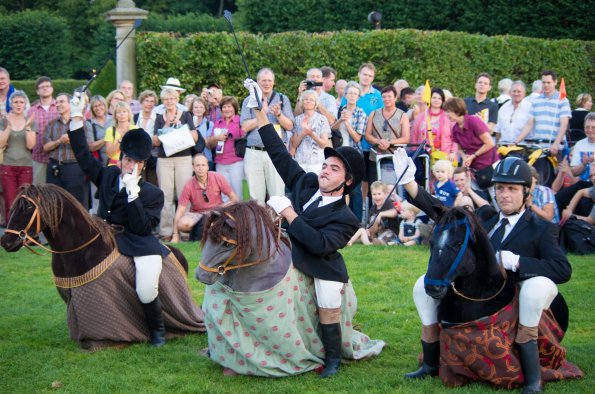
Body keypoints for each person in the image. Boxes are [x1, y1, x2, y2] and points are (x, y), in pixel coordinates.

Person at [394, 151, 571, 394]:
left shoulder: (542, 228)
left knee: (534, 289)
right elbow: (445, 213)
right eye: (500, 189)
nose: (504, 195)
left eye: (512, 189)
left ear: (526, 193)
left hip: (519, 297)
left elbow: (562, 269)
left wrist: (519, 262)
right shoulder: (486, 217)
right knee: (421, 285)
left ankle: (533, 380)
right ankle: (430, 363)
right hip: (484, 297)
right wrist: (410, 185)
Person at [245, 78, 365, 378]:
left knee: (327, 299)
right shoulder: (307, 182)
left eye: (334, 169)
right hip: (286, 251)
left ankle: (333, 358)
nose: (325, 170)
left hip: (321, 263)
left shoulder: (348, 219)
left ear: (347, 181)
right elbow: (279, 153)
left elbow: (320, 245)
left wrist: (288, 212)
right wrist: (260, 111)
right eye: (325, 165)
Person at [67, 94, 170, 347]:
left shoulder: (153, 193)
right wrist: (77, 117)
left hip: (138, 240)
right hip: (103, 234)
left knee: (146, 287)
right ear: (121, 157)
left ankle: (157, 332)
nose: (128, 165)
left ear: (142, 165)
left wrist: (133, 193)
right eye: (126, 159)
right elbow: (83, 157)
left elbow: (143, 227)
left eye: (134, 162)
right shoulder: (109, 175)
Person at [240, 68, 294, 203]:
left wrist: (279, 115)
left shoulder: (282, 99)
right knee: (255, 196)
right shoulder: (248, 100)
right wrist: (261, 113)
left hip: (276, 152)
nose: (266, 83)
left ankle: (277, 223)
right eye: (263, 80)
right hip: (254, 151)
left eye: (269, 80)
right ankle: (258, 223)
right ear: (257, 82)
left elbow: (290, 126)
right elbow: (245, 127)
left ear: (274, 82)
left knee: (278, 194)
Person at [153, 87, 197, 241]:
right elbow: (155, 141)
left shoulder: (185, 115)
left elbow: (195, 137)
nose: (169, 101)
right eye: (166, 99)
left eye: (172, 98)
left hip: (183, 158)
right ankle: (165, 232)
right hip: (164, 159)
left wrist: (181, 127)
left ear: (177, 99)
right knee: (165, 195)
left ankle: (185, 230)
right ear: (163, 101)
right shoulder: (159, 117)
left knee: (184, 195)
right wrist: (165, 126)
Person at [340, 63, 384, 214]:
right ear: (359, 74)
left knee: (371, 181)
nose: (367, 78)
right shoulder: (350, 92)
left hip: (369, 145)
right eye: (365, 74)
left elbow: (380, 116)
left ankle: (372, 214)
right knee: (354, 183)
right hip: (353, 146)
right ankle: (355, 213)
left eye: (370, 76)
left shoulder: (376, 95)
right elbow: (341, 117)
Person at [171, 154, 239, 243]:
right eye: (197, 165)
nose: (200, 168)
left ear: (207, 167)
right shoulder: (188, 185)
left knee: (222, 218)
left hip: (217, 210)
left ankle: (211, 231)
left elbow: (234, 199)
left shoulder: (217, 177)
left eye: (203, 165)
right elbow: (180, 210)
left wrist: (222, 207)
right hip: (197, 213)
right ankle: (198, 231)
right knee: (183, 224)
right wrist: (175, 235)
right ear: (193, 168)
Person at [43, 93, 89, 209]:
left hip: (74, 168)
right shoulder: (51, 124)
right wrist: (59, 141)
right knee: (53, 204)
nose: (58, 104)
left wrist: (73, 140)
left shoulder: (81, 124)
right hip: (54, 168)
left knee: (76, 204)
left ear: (70, 104)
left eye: (61, 101)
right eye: (56, 102)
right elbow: (46, 147)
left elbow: (87, 146)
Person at [443, 97, 499, 188]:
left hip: (489, 164)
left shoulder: (473, 121)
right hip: (474, 168)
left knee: (494, 194)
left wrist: (474, 155)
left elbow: (490, 143)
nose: (446, 114)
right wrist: (464, 157)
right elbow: (459, 148)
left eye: (448, 111)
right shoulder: (455, 129)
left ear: (456, 111)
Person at [331, 81, 367, 221]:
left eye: (355, 93)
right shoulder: (341, 109)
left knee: (355, 190)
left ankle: (357, 221)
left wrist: (347, 123)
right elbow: (332, 128)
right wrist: (341, 119)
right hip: (340, 152)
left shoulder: (360, 113)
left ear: (358, 97)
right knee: (340, 188)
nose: (352, 95)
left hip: (354, 154)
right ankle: (340, 219)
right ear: (345, 95)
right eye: (349, 93)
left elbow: (358, 138)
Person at [516, 70, 572, 157]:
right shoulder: (535, 101)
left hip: (556, 148)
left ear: (555, 82)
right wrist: (516, 141)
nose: (546, 85)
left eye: (549, 82)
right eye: (544, 82)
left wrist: (556, 144)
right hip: (538, 148)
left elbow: (564, 125)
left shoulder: (563, 100)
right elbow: (529, 125)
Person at [0, 91, 36, 222]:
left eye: (21, 102)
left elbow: (30, 145)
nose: (18, 105)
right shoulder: (4, 121)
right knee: (10, 201)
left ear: (25, 104)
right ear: (11, 104)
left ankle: (23, 231)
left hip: (26, 166)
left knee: (25, 200)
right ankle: (11, 233)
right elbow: (1, 143)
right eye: (16, 102)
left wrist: (27, 127)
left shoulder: (30, 121)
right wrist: (9, 126)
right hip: (7, 166)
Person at [364, 85, 410, 186]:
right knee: (375, 187)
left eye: (389, 96)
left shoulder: (403, 115)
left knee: (393, 189)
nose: (386, 99)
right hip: (376, 156)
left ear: (395, 98)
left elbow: (406, 138)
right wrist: (378, 141)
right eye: (384, 96)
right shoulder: (373, 113)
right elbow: (367, 134)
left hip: (394, 157)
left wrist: (389, 142)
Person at [555, 112, 595, 215]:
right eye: (587, 127)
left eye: (593, 127)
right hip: (583, 183)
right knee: (559, 199)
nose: (590, 130)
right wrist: (584, 163)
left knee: (584, 203)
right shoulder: (580, 144)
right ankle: (560, 227)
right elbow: (574, 172)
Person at [206, 96, 244, 200]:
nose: (226, 109)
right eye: (224, 107)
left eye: (229, 107)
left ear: (234, 108)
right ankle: (226, 216)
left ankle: (239, 215)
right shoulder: (218, 123)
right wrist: (217, 138)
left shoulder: (240, 121)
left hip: (236, 162)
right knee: (224, 195)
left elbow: (245, 138)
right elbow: (210, 144)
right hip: (220, 163)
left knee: (237, 193)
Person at [410, 87, 457, 163]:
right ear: (429, 99)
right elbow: (414, 137)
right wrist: (415, 153)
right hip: (423, 157)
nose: (436, 100)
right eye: (434, 97)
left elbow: (456, 136)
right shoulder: (421, 117)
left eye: (439, 98)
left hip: (444, 157)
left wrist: (453, 152)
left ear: (443, 101)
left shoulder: (449, 117)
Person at [290, 90, 331, 174]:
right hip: (300, 161)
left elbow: (324, 144)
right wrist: (303, 133)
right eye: (306, 99)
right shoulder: (297, 119)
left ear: (316, 103)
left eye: (311, 100)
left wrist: (311, 134)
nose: (308, 101)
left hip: (317, 163)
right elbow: (294, 144)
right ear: (302, 102)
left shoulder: (322, 119)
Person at [348, 181, 398, 246]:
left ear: (385, 194)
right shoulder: (373, 208)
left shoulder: (388, 203)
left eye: (379, 194)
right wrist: (368, 230)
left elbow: (394, 212)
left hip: (389, 233)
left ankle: (376, 241)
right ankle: (350, 242)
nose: (376, 196)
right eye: (374, 194)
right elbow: (370, 223)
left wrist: (380, 214)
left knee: (374, 218)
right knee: (362, 230)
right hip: (375, 234)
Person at [28, 76, 58, 185]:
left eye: (47, 86)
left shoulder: (60, 107)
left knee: (57, 192)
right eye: (42, 87)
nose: (45, 88)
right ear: (37, 91)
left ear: (52, 89)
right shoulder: (31, 111)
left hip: (57, 157)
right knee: (38, 191)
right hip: (39, 157)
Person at [134, 90, 159, 186]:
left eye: (152, 101)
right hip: (137, 158)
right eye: (146, 101)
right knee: (138, 185)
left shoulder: (158, 118)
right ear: (141, 102)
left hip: (153, 157)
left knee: (153, 185)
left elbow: (158, 140)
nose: (149, 104)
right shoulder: (134, 117)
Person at [104, 102, 135, 166]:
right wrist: (121, 139)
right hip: (113, 165)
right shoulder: (110, 130)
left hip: (130, 165)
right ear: (115, 115)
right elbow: (109, 154)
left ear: (129, 114)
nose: (122, 114)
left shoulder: (135, 129)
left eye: (124, 111)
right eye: (118, 112)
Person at [190, 96, 214, 170]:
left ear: (204, 109)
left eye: (201, 107)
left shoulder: (209, 124)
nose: (198, 109)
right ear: (192, 109)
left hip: (206, 160)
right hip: (191, 160)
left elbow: (208, 145)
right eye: (196, 107)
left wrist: (196, 131)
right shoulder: (187, 124)